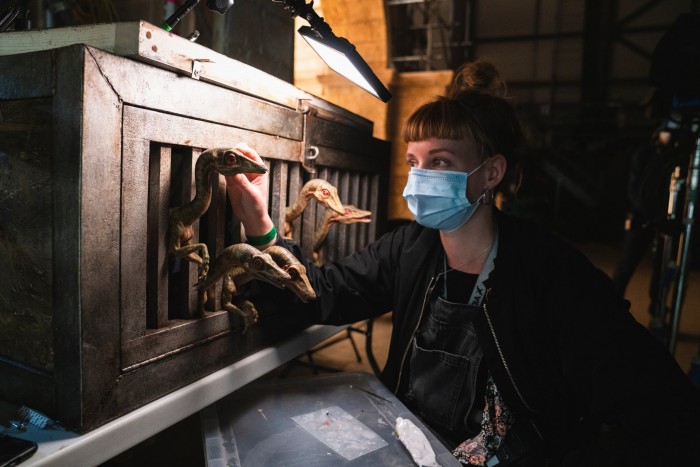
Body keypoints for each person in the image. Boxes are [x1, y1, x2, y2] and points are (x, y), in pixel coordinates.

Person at [225, 68, 700, 466]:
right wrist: (262, 226)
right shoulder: (409, 247)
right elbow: (320, 294)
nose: (419, 179)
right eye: (414, 162)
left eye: (440, 161)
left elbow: (661, 409)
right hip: (414, 448)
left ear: (491, 173)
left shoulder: (553, 274)